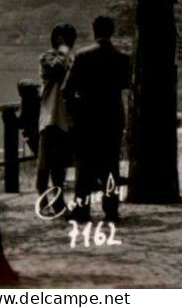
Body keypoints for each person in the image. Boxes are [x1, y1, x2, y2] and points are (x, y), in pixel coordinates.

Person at [62, 16, 132, 222]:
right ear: (113, 31)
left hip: (87, 117)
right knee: (111, 164)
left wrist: (75, 112)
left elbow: (67, 90)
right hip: (112, 116)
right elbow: (126, 84)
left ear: (94, 30)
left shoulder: (82, 56)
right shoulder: (122, 58)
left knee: (84, 166)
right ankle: (111, 209)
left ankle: (82, 209)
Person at [35, 23, 77, 212]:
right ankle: (43, 200)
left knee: (59, 165)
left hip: (63, 118)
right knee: (45, 164)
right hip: (50, 116)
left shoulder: (69, 58)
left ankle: (58, 201)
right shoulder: (47, 58)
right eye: (69, 41)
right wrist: (64, 50)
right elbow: (58, 70)